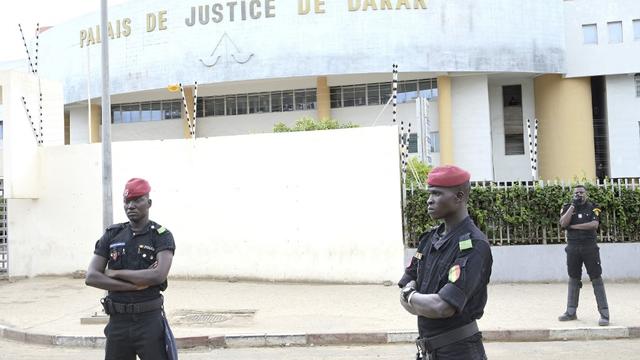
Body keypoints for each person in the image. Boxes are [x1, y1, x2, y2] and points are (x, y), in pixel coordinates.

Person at [399, 165, 492, 360]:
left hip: (460, 352)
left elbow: (442, 307)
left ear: (458, 197)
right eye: (429, 193)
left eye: (437, 194)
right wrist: (413, 297)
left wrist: (410, 297)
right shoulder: (429, 239)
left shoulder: (474, 245)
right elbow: (406, 286)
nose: (429, 200)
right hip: (429, 352)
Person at [85, 178, 177, 359]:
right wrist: (134, 285)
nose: (131, 206)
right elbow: (92, 277)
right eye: (127, 201)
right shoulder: (113, 234)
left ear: (149, 203)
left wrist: (115, 273)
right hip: (118, 322)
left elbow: (158, 275)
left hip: (149, 321)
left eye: (137, 200)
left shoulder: (161, 236)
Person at [558, 184, 609, 326]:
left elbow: (594, 225)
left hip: (589, 247)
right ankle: (570, 311)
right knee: (573, 277)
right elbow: (563, 223)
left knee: (596, 277)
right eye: (576, 193)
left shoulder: (594, 207)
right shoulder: (568, 207)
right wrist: (573, 207)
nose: (579, 195)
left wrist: (573, 227)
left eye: (581, 192)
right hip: (573, 247)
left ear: (586, 194)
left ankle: (604, 314)